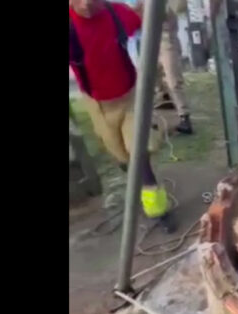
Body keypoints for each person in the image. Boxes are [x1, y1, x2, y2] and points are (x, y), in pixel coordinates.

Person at [69, 0, 175, 231]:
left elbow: (147, 17)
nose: (86, 4)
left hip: (129, 97)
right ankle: (138, 187)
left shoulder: (117, 13)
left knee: (139, 153)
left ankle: (159, 210)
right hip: (98, 105)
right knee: (122, 157)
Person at [136, 0, 193, 134]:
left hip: (166, 40)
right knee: (149, 81)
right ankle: (154, 119)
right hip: (148, 40)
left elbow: (174, 10)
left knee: (173, 81)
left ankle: (185, 117)